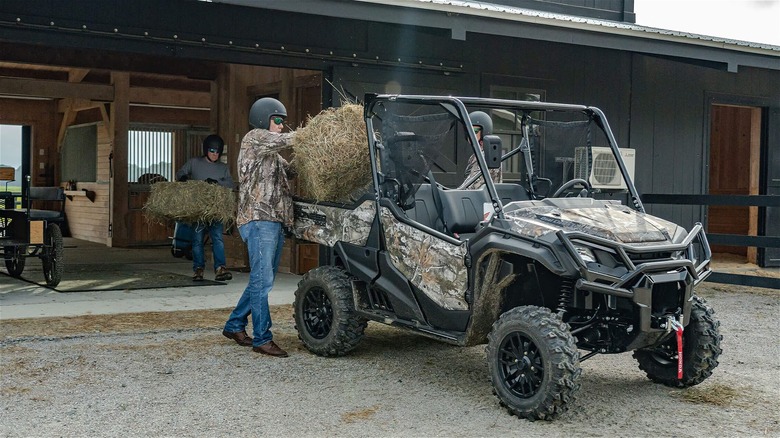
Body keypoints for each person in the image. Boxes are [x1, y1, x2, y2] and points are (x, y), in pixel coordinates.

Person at [222, 97, 296, 358]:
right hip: (259, 218)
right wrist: (317, 135)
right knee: (262, 281)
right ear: (264, 119)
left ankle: (234, 325)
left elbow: (292, 171)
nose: (281, 126)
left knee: (263, 280)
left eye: (283, 122)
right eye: (277, 120)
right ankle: (262, 338)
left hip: (273, 221)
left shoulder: (272, 156)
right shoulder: (254, 138)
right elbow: (288, 140)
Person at [175, 134, 234, 282]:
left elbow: (230, 184)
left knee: (218, 239)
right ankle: (198, 269)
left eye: (217, 152)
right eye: (212, 150)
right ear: (206, 150)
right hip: (199, 209)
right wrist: (183, 178)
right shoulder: (194, 163)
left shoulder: (223, 168)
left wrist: (216, 183)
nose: (215, 154)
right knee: (197, 240)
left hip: (215, 209)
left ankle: (220, 268)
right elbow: (180, 173)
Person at [457, 111, 502, 190]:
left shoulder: (487, 155)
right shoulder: (475, 155)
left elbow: (472, 186)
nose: (470, 134)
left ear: (485, 131)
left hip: (485, 200)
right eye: (468, 131)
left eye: (474, 131)